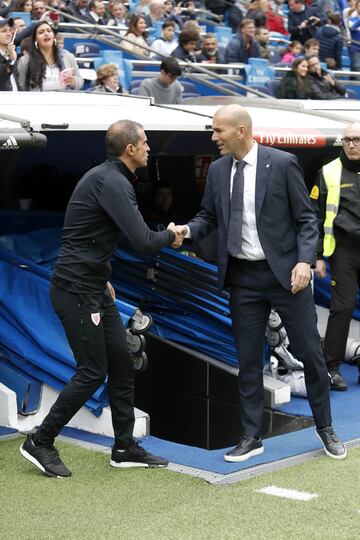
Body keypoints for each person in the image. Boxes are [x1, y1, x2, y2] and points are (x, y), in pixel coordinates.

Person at [173, 104, 347, 462]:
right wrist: (187, 230)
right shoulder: (219, 170)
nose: (213, 137)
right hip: (243, 278)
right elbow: (208, 216)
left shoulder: (282, 163)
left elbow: (307, 219)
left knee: (311, 356)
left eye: (218, 130)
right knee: (248, 360)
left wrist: (303, 260)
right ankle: (251, 436)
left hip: (285, 276)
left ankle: (325, 427)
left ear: (241, 131)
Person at [19, 119, 182, 478]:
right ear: (130, 149)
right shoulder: (112, 182)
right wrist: (171, 235)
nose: (149, 148)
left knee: (121, 362)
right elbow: (140, 241)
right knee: (93, 370)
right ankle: (40, 440)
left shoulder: (109, 178)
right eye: (145, 142)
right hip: (77, 290)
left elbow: (88, 235)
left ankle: (124, 447)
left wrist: (100, 275)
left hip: (92, 285)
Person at [312, 122, 360, 391]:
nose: (352, 144)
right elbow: (315, 216)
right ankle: (331, 367)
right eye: (347, 140)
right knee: (342, 307)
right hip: (343, 249)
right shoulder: (328, 172)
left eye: (356, 140)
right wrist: (317, 256)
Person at [17, 20, 83, 90]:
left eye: (49, 31)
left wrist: (74, 81)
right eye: (41, 32)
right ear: (35, 40)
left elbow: (80, 81)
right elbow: (21, 87)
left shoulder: (68, 56)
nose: (46, 34)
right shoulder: (25, 61)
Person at [0, 17, 18, 91]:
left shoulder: (11, 54)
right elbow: (2, 78)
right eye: (4, 31)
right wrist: (11, 60)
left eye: (10, 30)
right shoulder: (12, 57)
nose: (9, 34)